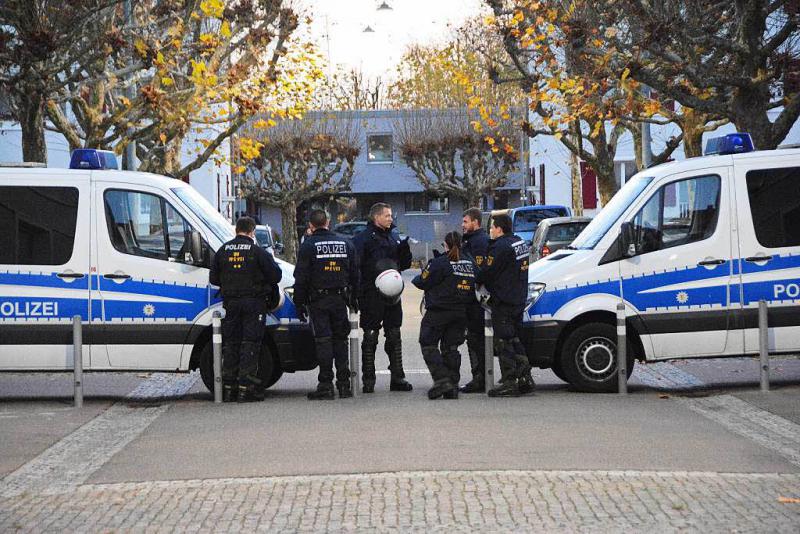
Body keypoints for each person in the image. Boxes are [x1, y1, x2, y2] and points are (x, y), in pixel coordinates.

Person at [210, 216, 282, 402]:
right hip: (254, 304)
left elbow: (214, 279)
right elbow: (276, 275)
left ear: (236, 231)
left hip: (231, 304)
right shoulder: (258, 252)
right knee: (250, 344)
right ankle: (246, 388)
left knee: (232, 344)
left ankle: (228, 388)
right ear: (252, 232)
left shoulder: (223, 250)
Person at [293, 209, 359, 400]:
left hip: (319, 301)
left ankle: (325, 385)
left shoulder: (308, 246)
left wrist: (299, 303)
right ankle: (344, 385)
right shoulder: (346, 243)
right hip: (340, 299)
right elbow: (355, 273)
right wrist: (354, 297)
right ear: (328, 223)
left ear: (311, 226)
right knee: (340, 340)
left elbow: (301, 277)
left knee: (323, 341)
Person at [352, 202, 413, 393]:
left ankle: (398, 377)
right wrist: (357, 292)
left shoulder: (393, 237)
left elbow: (402, 265)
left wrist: (405, 251)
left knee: (394, 334)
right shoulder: (362, 239)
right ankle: (368, 379)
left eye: (390, 216)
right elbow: (355, 267)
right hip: (371, 294)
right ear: (376, 217)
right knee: (370, 336)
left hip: (393, 294)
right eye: (387, 216)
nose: (390, 219)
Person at [476, 213, 535, 397]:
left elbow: (487, 272)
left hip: (504, 300)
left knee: (503, 341)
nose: (491, 231)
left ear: (499, 229)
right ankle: (525, 376)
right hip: (518, 297)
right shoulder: (519, 243)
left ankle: (509, 380)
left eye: (492, 228)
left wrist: (475, 278)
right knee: (514, 338)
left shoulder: (500, 247)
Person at [412, 231, 477, 400]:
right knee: (451, 348)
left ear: (446, 245)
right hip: (461, 312)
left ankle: (442, 379)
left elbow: (421, 282)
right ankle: (452, 385)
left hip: (439, 311)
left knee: (427, 343)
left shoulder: (440, 262)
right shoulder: (470, 262)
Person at [460, 207, 490, 393]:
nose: (462, 225)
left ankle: (480, 377)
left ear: (475, 222)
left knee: (475, 338)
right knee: (475, 338)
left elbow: (477, 272)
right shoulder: (471, 240)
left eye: (465, 222)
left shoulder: (478, 242)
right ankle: (481, 376)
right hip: (474, 298)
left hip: (476, 299)